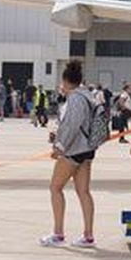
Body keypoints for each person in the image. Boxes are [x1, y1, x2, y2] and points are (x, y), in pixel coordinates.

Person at [39, 60, 100, 248]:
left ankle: (58, 233)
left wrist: (59, 147)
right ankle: (88, 235)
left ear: (66, 82)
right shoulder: (88, 95)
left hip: (73, 150)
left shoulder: (75, 99)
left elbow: (71, 126)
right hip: (87, 150)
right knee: (84, 192)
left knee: (55, 188)